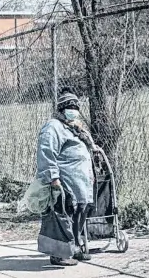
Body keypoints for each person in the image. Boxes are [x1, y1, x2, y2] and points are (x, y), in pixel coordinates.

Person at [36, 87, 94, 266]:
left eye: (76, 107)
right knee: (63, 215)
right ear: (61, 110)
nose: (73, 111)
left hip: (80, 183)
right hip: (65, 181)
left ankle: (74, 247)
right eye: (69, 107)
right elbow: (46, 153)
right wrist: (53, 179)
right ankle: (58, 254)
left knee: (79, 214)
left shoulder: (74, 128)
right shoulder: (53, 127)